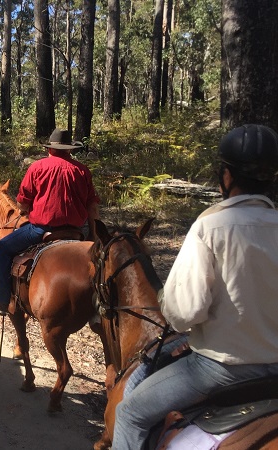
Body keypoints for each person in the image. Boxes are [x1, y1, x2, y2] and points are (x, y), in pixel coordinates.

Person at [111, 124, 278, 450]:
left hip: (221, 368)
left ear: (226, 176)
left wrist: (166, 300)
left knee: (130, 412)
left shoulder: (212, 225)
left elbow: (184, 313)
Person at [0, 128, 100, 315]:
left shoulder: (37, 168)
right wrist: (94, 236)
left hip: (41, 230)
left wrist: (27, 210)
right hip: (76, 232)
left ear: (49, 149)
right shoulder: (82, 171)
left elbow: (22, 204)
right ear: (69, 149)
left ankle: (1, 299)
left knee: (2, 249)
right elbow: (93, 208)